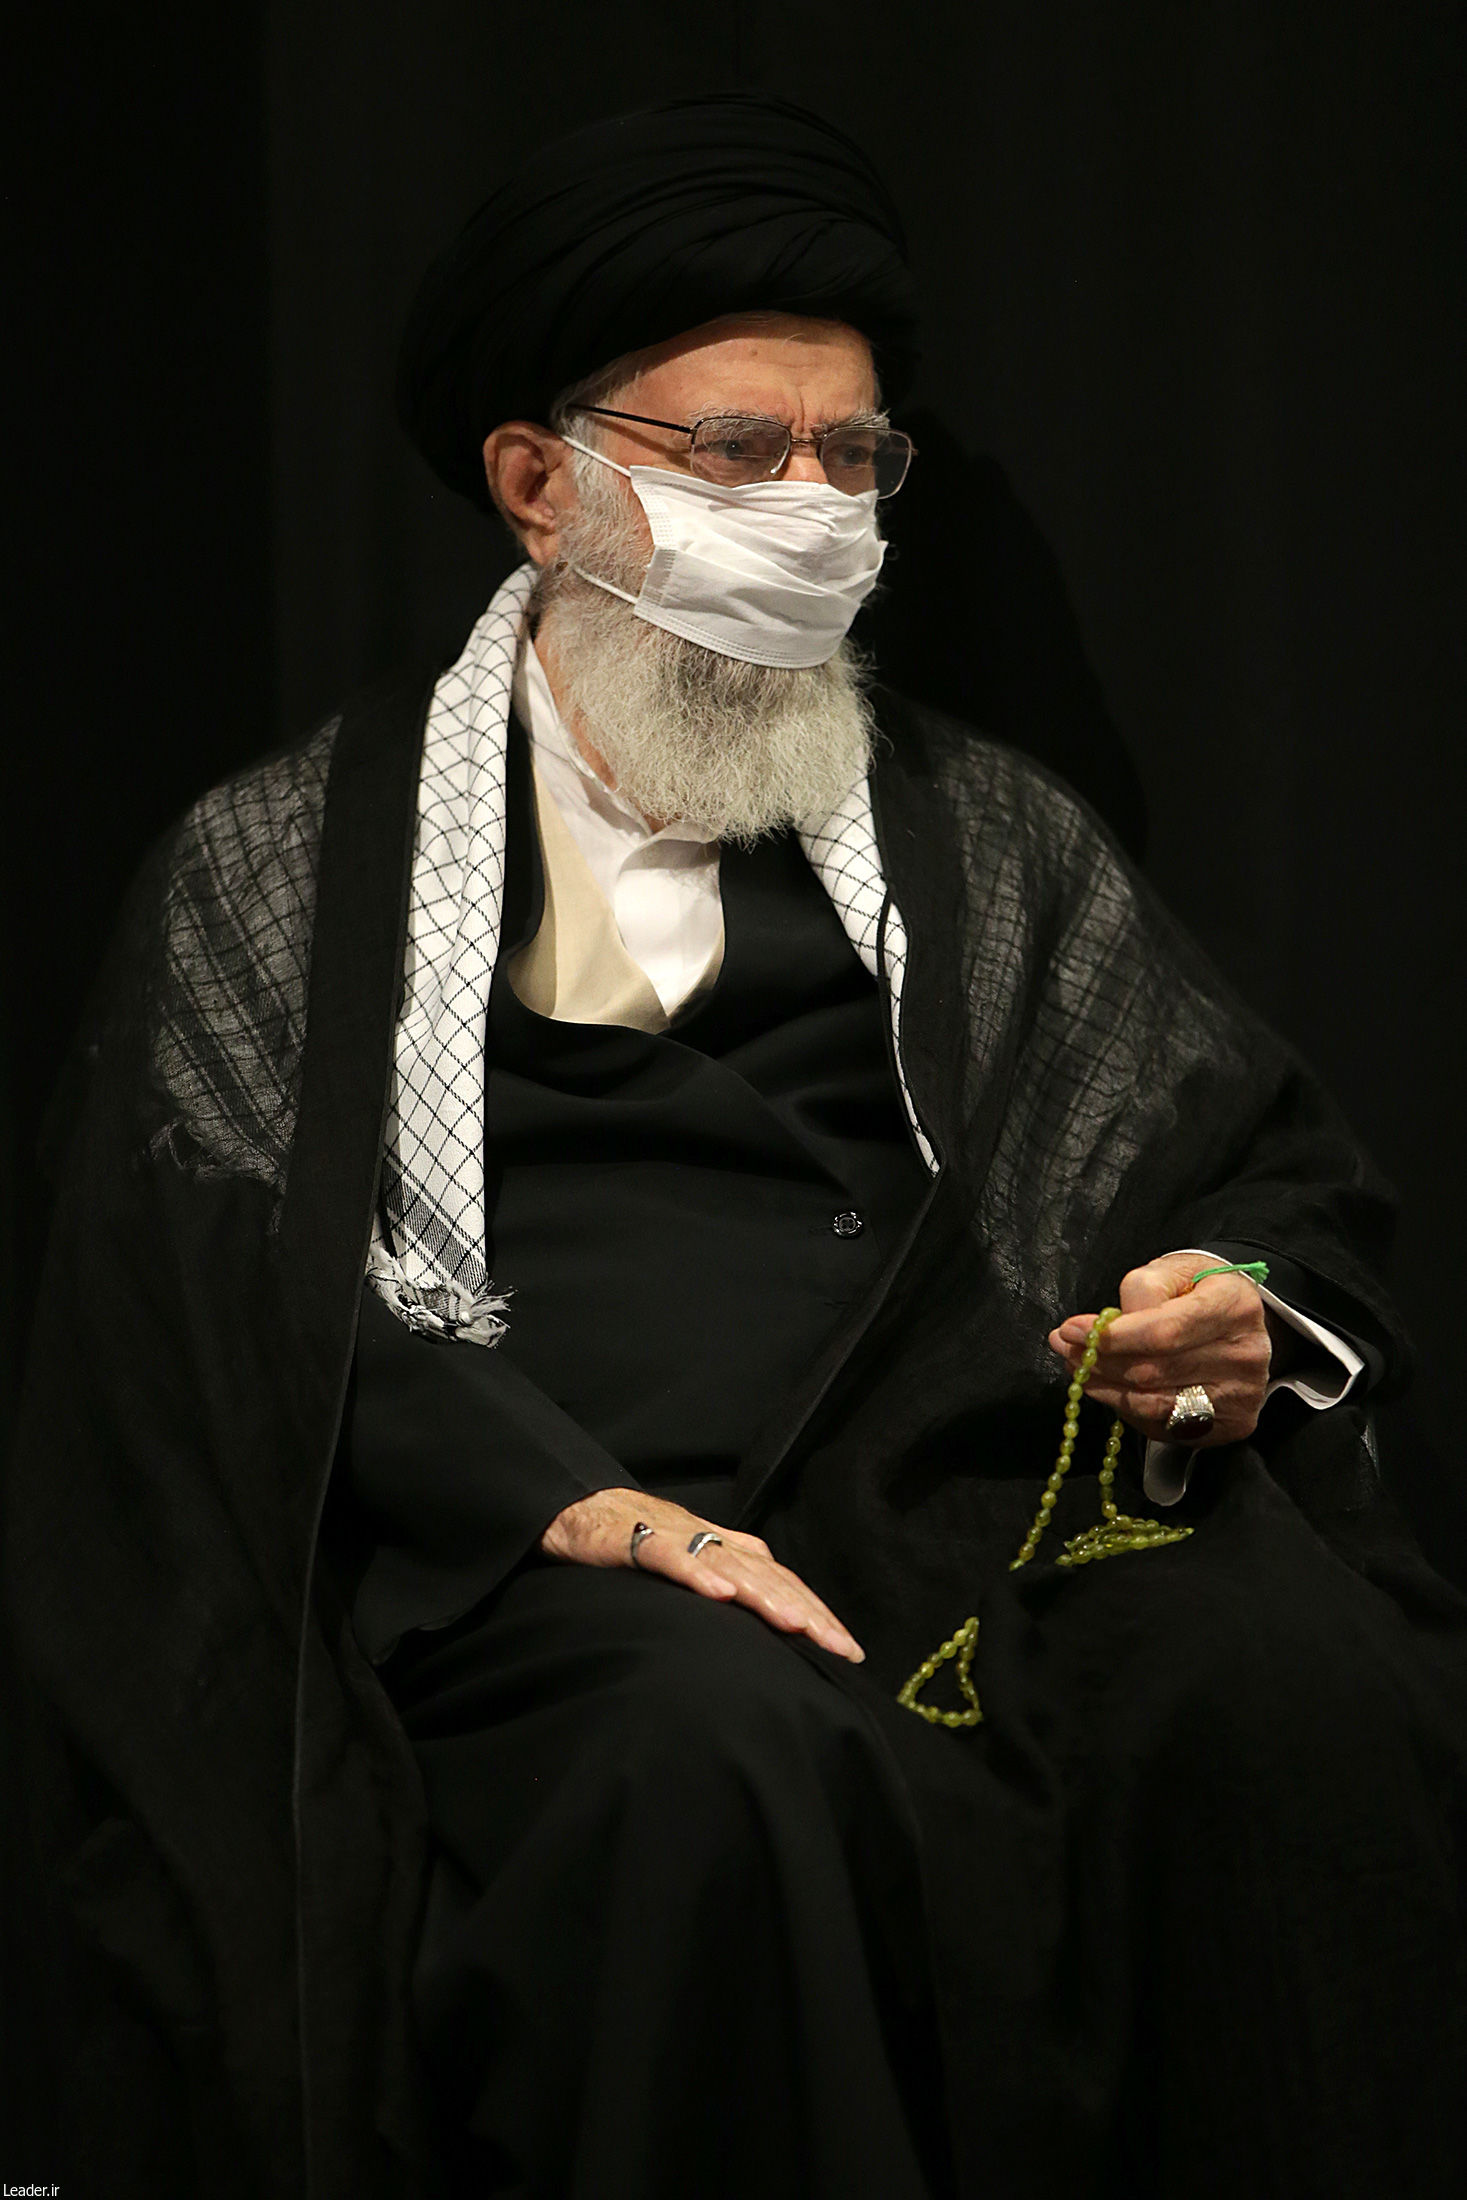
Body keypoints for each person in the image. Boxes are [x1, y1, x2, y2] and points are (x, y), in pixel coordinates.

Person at [5, 92, 1466, 2200]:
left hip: (956, 1511)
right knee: (713, 1757)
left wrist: (1231, 1309)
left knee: (1289, 1690)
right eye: (733, 451)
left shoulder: (981, 839)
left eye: (849, 458)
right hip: (537, 1556)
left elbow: (1248, 1164)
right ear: (539, 484)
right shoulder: (287, 869)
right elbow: (216, 1290)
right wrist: (576, 1507)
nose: (809, 507)